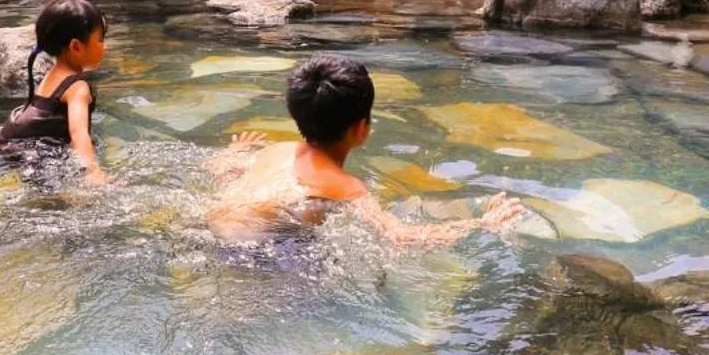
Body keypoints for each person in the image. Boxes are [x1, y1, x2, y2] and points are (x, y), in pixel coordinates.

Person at [210, 54, 524, 246]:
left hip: (208, 229)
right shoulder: (348, 188)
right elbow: (400, 238)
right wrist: (482, 225)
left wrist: (234, 153)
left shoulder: (272, 152)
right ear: (361, 128)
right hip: (255, 251)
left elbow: (218, 170)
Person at [0, 0, 109, 184]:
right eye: (100, 39)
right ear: (75, 47)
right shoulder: (78, 87)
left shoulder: (52, 75)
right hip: (35, 150)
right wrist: (92, 171)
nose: (105, 47)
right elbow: (78, 133)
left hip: (11, 141)